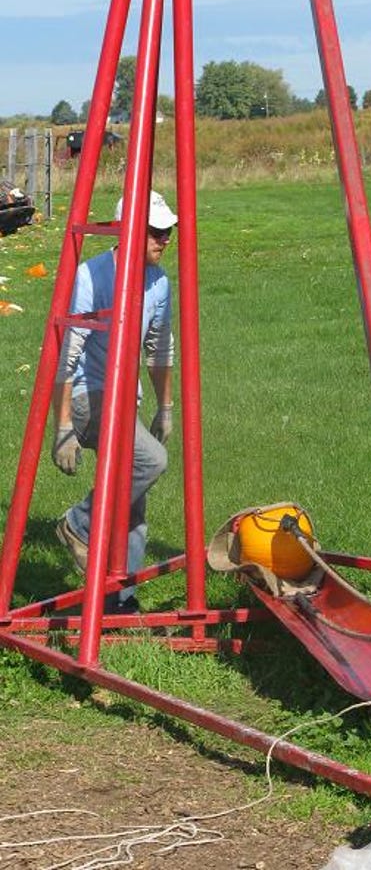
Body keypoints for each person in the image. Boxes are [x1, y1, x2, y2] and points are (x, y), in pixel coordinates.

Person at [51, 189, 177, 613]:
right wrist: (64, 425)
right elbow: (70, 348)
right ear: (129, 231)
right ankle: (79, 523)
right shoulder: (93, 275)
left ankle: (119, 602)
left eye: (168, 231)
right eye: (156, 232)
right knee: (150, 461)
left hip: (126, 400)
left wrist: (165, 408)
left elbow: (159, 349)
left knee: (134, 509)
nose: (165, 239)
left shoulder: (158, 282)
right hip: (90, 396)